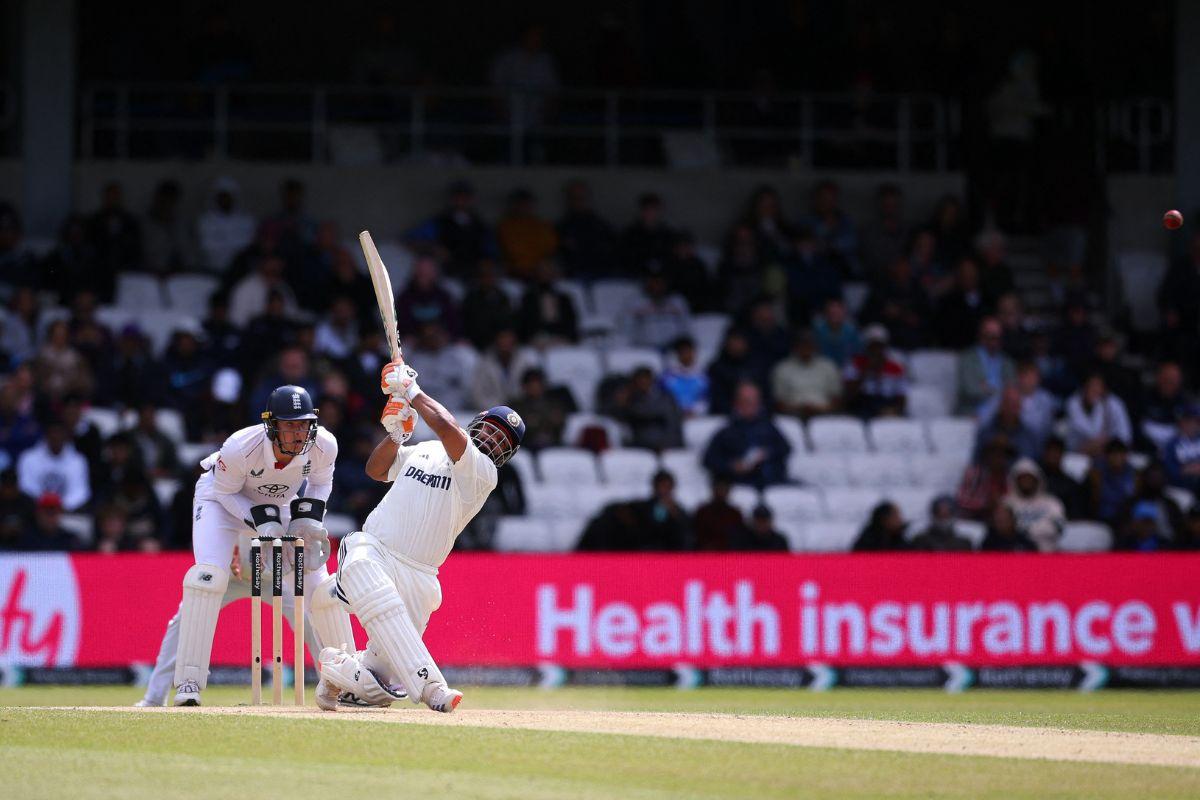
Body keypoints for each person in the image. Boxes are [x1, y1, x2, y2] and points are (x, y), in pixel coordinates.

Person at [314, 358, 525, 714]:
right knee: (377, 589)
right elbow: (376, 470)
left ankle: (336, 667)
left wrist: (411, 390)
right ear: (479, 422)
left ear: (506, 453)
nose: (492, 437)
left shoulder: (483, 473)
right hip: (373, 548)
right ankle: (432, 689)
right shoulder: (427, 449)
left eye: (501, 439)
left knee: (378, 688)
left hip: (420, 575)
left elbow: (444, 424)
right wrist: (396, 435)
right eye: (491, 428)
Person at [167, 385, 353, 707]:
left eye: (304, 424)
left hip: (278, 502)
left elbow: (322, 482)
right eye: (290, 425)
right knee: (207, 578)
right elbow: (226, 493)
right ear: (271, 425)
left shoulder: (324, 444)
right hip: (222, 502)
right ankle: (189, 684)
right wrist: (258, 522)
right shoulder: (240, 447)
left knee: (320, 584)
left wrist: (308, 518)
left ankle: (351, 681)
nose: (299, 433)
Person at [702, 382, 790, 488]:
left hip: (773, 481)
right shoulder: (726, 432)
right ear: (737, 403)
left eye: (755, 402)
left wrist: (767, 453)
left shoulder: (769, 428)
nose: (751, 406)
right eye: (747, 402)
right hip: (740, 484)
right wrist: (732, 466)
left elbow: (785, 448)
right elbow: (709, 460)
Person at [771, 329, 842, 419]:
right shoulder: (782, 368)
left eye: (809, 344)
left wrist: (818, 409)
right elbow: (779, 403)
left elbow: (837, 400)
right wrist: (801, 409)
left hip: (825, 417)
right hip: (792, 418)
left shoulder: (828, 366)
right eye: (802, 344)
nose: (805, 348)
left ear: (815, 346)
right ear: (795, 346)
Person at [843, 324, 907, 419]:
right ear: (866, 346)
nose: (876, 350)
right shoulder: (854, 364)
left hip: (886, 406)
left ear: (885, 346)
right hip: (862, 406)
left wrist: (893, 410)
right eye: (872, 345)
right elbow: (848, 396)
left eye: (879, 346)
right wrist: (865, 371)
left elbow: (901, 398)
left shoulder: (896, 367)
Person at [955, 317, 1015, 416]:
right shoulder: (967, 358)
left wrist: (987, 388)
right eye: (991, 337)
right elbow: (970, 389)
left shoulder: (1007, 361)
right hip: (973, 412)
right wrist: (999, 390)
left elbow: (1012, 387)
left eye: (998, 337)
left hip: (1001, 413)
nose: (995, 341)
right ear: (981, 336)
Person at [1004, 458, 1066, 552]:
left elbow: (1058, 527)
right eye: (1022, 478)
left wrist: (1027, 530)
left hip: (1047, 552)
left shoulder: (1052, 502)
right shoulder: (1006, 502)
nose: (1026, 482)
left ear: (1037, 479)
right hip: (1015, 554)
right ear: (1015, 480)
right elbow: (1003, 529)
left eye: (1029, 478)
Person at [1065, 373, 1132, 457]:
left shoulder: (1115, 404)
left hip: (1109, 453)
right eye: (1091, 386)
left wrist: (1106, 444)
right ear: (1084, 387)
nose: (1094, 389)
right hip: (1078, 452)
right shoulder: (1073, 402)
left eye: (1098, 386)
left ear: (1104, 389)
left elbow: (1125, 436)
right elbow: (1075, 436)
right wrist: (1095, 443)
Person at [1163, 404, 1200, 495]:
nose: (1194, 425)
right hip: (1179, 488)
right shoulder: (1171, 444)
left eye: (1197, 422)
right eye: (1188, 421)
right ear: (1182, 422)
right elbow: (1170, 471)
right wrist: (1188, 470)